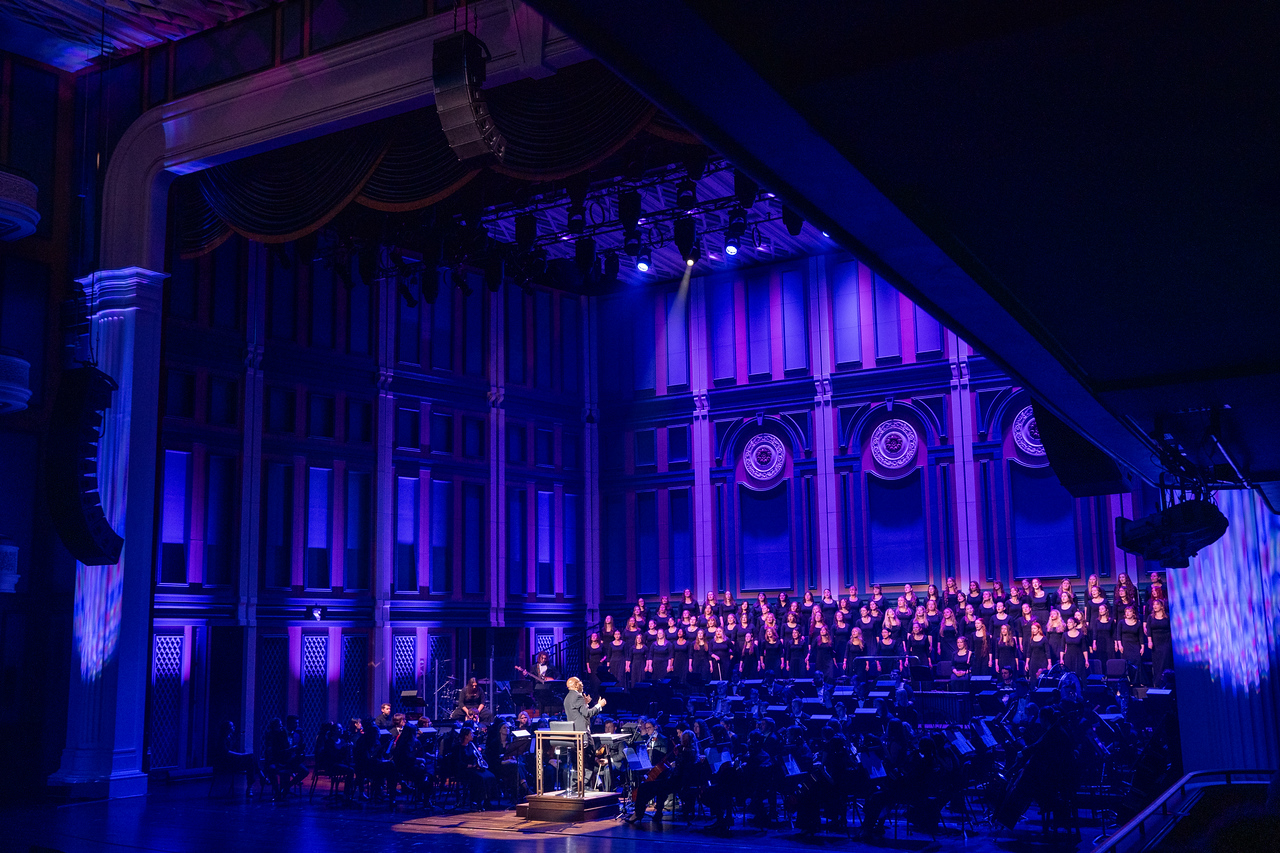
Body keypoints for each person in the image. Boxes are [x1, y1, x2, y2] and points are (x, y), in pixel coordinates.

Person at [1146, 599, 1174, 688]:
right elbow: (1149, 630)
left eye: (1157, 604)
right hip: (1156, 643)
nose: (1154, 606)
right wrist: (1150, 641)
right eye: (1153, 605)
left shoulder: (1168, 617)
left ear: (1162, 606)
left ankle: (1167, 682)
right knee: (1157, 663)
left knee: (1166, 661)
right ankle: (1158, 682)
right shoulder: (1150, 617)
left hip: (1166, 641)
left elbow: (1171, 629)